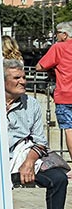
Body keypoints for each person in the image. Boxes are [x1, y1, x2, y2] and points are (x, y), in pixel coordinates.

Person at [5, 59, 71, 209]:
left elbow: (40, 141)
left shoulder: (31, 104)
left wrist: (29, 162)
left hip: (23, 157)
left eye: (24, 77)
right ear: (3, 81)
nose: (23, 81)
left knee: (58, 178)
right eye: (17, 78)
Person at [36, 24, 72, 159]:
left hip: (65, 95)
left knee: (69, 130)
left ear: (64, 34)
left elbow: (39, 66)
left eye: (57, 33)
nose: (56, 35)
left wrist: (53, 69)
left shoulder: (58, 47)